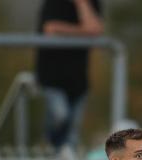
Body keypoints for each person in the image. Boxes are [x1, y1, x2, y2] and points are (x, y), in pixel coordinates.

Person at [35, 0, 104, 150]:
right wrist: (83, 32)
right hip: (52, 75)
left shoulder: (92, 3)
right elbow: (51, 29)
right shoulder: (54, 4)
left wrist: (82, 4)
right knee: (60, 116)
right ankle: (50, 148)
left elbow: (95, 29)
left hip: (78, 78)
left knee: (72, 130)